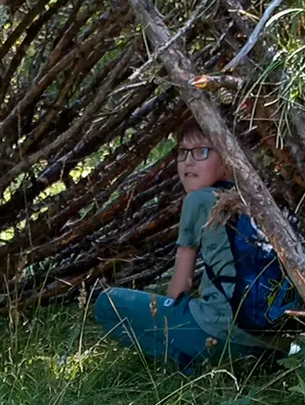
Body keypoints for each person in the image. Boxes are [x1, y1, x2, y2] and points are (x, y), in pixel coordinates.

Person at [91, 122, 284, 372]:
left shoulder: (199, 200)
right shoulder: (260, 200)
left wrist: (172, 319)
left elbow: (181, 286)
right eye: (182, 152)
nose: (188, 162)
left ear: (227, 161)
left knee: (108, 302)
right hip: (274, 343)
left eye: (201, 151)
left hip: (218, 337)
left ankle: (186, 365)